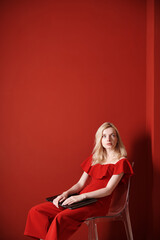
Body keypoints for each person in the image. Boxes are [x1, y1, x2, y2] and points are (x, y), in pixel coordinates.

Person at [24, 122, 134, 240]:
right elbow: (80, 184)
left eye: (112, 135)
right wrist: (65, 194)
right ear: (100, 139)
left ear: (117, 138)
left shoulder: (121, 162)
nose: (108, 139)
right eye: (104, 136)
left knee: (61, 218)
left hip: (98, 203)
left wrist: (82, 197)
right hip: (80, 199)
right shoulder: (95, 158)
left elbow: (108, 190)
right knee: (37, 211)